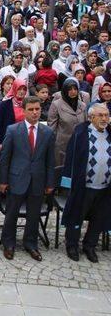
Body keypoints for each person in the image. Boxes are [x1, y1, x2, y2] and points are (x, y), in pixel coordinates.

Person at [0, 96, 55, 261]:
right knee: (12, 213)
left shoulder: (48, 132)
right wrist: (3, 181)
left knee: (33, 214)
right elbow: (5, 158)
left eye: (37, 109)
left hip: (38, 179)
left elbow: (50, 160)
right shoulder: (13, 130)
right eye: (31, 109)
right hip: (17, 178)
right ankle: (8, 243)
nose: (35, 112)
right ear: (23, 111)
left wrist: (50, 182)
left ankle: (31, 243)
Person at [61, 103, 111, 263]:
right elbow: (70, 158)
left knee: (98, 218)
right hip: (84, 187)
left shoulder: (110, 134)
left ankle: (90, 246)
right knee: (77, 215)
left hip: (104, 187)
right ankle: (72, 245)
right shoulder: (81, 134)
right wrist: (67, 184)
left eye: (107, 115)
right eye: (101, 115)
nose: (105, 119)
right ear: (91, 117)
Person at [47, 78, 87, 166]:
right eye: (70, 89)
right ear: (65, 90)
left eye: (75, 89)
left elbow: (85, 125)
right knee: (63, 175)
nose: (73, 91)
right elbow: (51, 128)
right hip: (62, 147)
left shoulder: (82, 105)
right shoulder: (56, 105)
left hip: (79, 146)